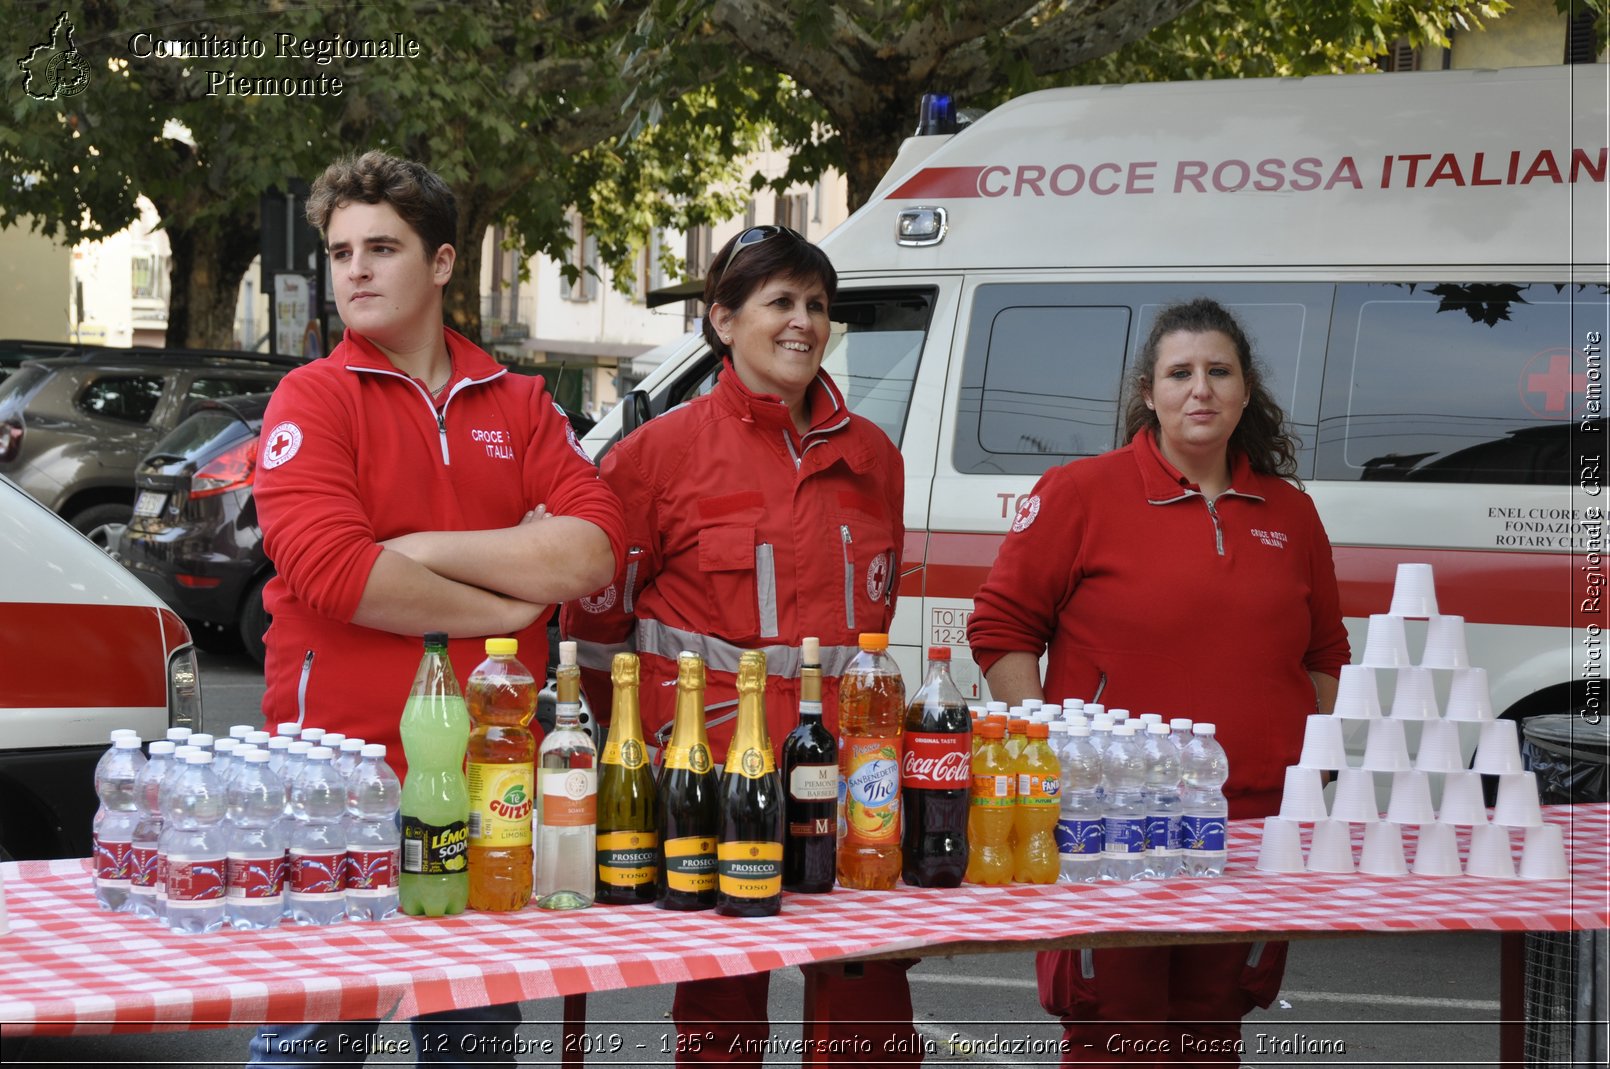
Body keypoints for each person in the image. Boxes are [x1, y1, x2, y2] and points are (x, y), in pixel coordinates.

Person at [249, 150, 625, 1067]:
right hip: (340, 785)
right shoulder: (313, 396)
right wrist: (509, 604)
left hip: (488, 778)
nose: (356, 271)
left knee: (472, 1044)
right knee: (310, 1043)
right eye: (340, 253)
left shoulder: (524, 402)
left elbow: (592, 550)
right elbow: (337, 575)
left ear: (444, 263)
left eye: (382, 247)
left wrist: (418, 551)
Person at [563, 225, 920, 1066]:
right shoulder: (653, 457)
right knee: (720, 1024)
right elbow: (595, 640)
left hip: (848, 786)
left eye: (818, 306)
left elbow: (868, 629)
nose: (804, 322)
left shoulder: (876, 459)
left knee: (867, 1014)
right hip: (711, 788)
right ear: (722, 319)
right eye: (781, 302)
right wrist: (618, 781)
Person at [966, 298, 1349, 1066]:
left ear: (1246, 393)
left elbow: (1326, 653)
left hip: (1247, 830)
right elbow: (1001, 627)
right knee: (1118, 1031)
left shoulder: (1291, 513)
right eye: (1180, 372)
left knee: (1213, 1032)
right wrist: (1054, 752)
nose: (1200, 388)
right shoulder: (1081, 492)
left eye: (1219, 371)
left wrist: (1304, 765)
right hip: (1112, 827)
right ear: (1150, 391)